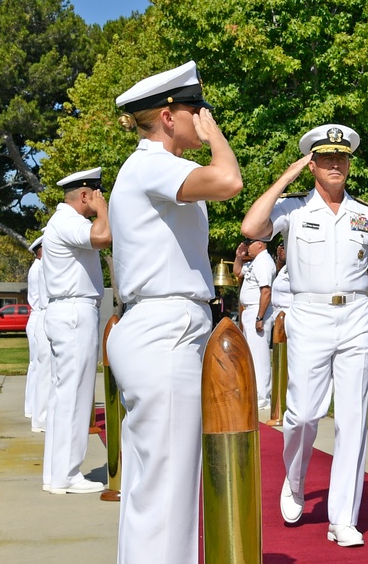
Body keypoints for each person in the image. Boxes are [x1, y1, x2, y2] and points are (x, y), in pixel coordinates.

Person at [108, 60, 242, 564]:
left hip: (156, 326)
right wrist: (216, 137)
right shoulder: (153, 163)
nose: (203, 117)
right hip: (164, 330)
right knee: (167, 493)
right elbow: (229, 180)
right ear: (169, 116)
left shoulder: (151, 168)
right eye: (196, 109)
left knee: (151, 487)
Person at [241, 123, 368, 549]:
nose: (335, 164)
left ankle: (342, 517)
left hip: (357, 318)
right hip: (308, 314)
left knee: (353, 420)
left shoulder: (366, 216)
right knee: (303, 415)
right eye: (326, 158)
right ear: (312, 164)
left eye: (342, 158)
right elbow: (251, 228)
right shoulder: (292, 209)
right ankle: (293, 481)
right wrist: (285, 177)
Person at [41, 167, 111, 495]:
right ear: (85, 195)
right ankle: (66, 475)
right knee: (76, 394)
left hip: (66, 310)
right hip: (73, 311)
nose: (100, 199)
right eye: (96, 194)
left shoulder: (62, 221)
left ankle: (56, 473)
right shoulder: (70, 221)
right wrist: (104, 212)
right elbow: (102, 237)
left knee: (63, 395)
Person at [233, 237, 275, 410]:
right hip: (250, 311)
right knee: (251, 355)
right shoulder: (255, 262)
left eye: (250, 243)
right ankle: (255, 394)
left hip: (259, 310)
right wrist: (239, 256)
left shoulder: (264, 261)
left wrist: (259, 317)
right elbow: (237, 272)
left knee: (260, 357)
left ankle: (262, 399)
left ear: (260, 244)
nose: (247, 246)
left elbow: (266, 291)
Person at [24, 235, 50, 433]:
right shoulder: (40, 267)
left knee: (35, 366)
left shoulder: (36, 267)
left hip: (36, 317)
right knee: (41, 366)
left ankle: (32, 408)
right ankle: (38, 412)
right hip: (41, 315)